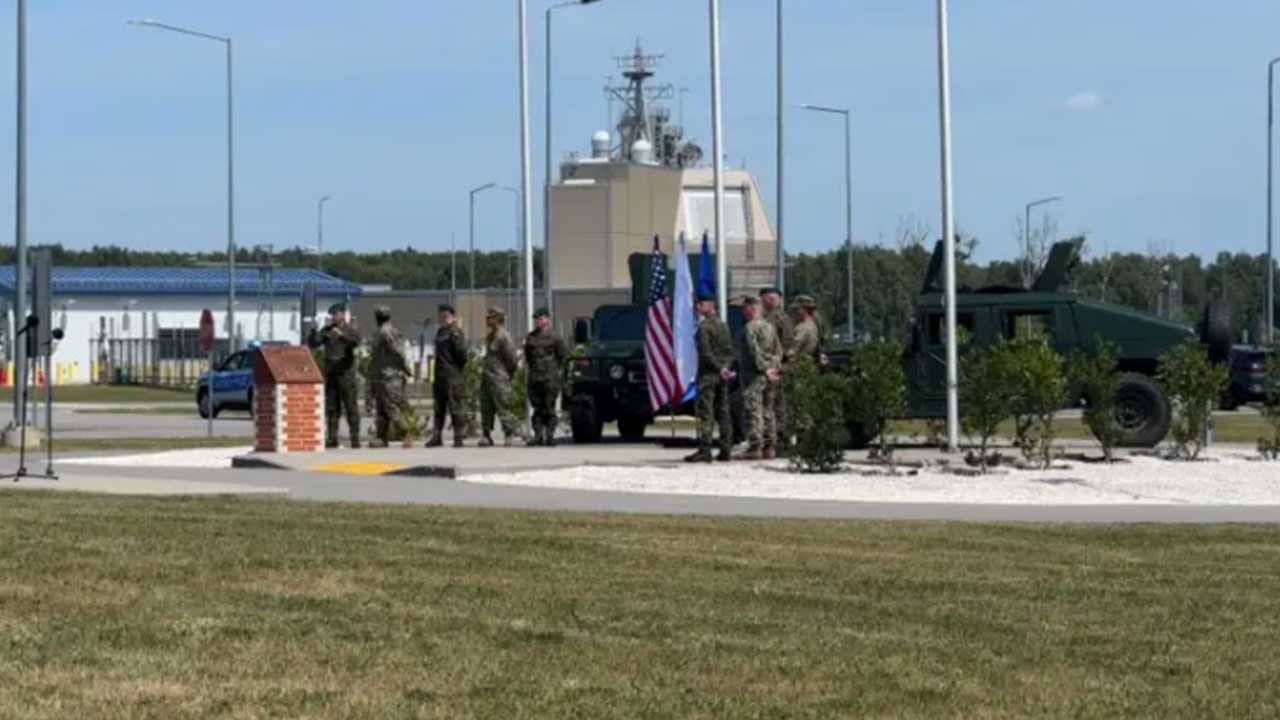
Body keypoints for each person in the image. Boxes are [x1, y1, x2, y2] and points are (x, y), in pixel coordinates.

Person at [685, 293, 735, 463]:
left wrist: (719, 368)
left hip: (708, 375)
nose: (698, 307)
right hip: (722, 375)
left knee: (706, 412)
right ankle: (725, 449)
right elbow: (729, 351)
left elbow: (705, 353)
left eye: (701, 303)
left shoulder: (704, 327)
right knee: (723, 412)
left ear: (711, 305)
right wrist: (725, 368)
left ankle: (705, 450)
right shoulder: (723, 325)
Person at [308, 302, 362, 449]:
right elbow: (314, 343)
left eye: (336, 314)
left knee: (351, 407)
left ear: (343, 314)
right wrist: (313, 330)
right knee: (332, 408)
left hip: (346, 374)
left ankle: (355, 438)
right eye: (332, 314)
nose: (333, 317)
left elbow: (356, 342)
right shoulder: (327, 330)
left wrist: (342, 336)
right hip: (331, 374)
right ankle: (332, 438)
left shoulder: (350, 330)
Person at [736, 295, 782, 460]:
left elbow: (754, 351)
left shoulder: (750, 328)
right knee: (768, 409)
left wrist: (764, 369)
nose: (743, 311)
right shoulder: (769, 327)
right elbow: (778, 350)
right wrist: (774, 368)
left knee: (753, 408)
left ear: (752, 309)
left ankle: (755, 446)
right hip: (770, 374)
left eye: (745, 308)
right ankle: (770, 446)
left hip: (755, 375)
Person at [480, 307, 525, 447]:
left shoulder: (504, 336)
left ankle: (510, 433)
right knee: (486, 407)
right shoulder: (490, 336)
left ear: (498, 319)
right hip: (488, 377)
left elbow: (511, 359)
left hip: (499, 377)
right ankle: (486, 435)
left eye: (491, 317)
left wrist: (509, 375)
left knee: (503, 406)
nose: (487, 320)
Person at [524, 307, 567, 446]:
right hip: (535, 377)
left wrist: (555, 371)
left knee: (549, 407)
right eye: (537, 319)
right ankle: (537, 436)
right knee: (537, 408)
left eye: (541, 318)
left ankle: (550, 435)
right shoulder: (531, 337)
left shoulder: (555, 337)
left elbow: (562, 356)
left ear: (547, 319)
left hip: (550, 378)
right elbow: (528, 357)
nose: (539, 321)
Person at [369, 305, 410, 448]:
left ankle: (405, 432)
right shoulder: (382, 331)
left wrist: (404, 367)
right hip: (382, 374)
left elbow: (397, 352)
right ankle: (382, 437)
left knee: (390, 407)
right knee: (381, 409)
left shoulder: (386, 332)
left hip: (390, 375)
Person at [428, 303, 469, 448]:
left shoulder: (456, 333)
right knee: (438, 408)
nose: (443, 318)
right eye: (441, 316)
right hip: (439, 375)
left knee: (455, 406)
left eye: (446, 316)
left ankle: (458, 437)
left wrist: (455, 370)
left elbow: (462, 356)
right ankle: (437, 436)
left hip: (452, 375)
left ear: (453, 316)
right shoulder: (440, 332)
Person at [760, 287, 796, 454]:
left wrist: (782, 365)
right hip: (767, 366)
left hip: (778, 367)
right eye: (766, 298)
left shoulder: (782, 318)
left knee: (779, 406)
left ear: (779, 299)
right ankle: (771, 440)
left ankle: (782, 441)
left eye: (772, 298)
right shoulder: (764, 317)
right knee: (769, 405)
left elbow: (788, 343)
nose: (769, 301)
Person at [791, 295, 823, 366]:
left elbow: (793, 350)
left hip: (800, 366)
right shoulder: (813, 324)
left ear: (805, 310)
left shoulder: (804, 328)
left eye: (796, 309)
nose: (794, 312)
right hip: (809, 366)